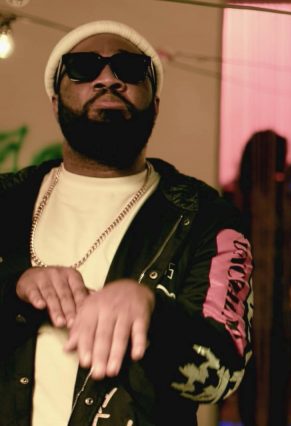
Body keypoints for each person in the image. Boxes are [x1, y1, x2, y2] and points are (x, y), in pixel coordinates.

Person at [0, 20, 253, 425]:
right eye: (84, 67)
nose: (108, 79)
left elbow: (223, 375)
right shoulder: (6, 200)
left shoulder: (206, 216)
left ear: (156, 104)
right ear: (55, 101)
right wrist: (14, 285)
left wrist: (154, 312)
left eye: (129, 69)